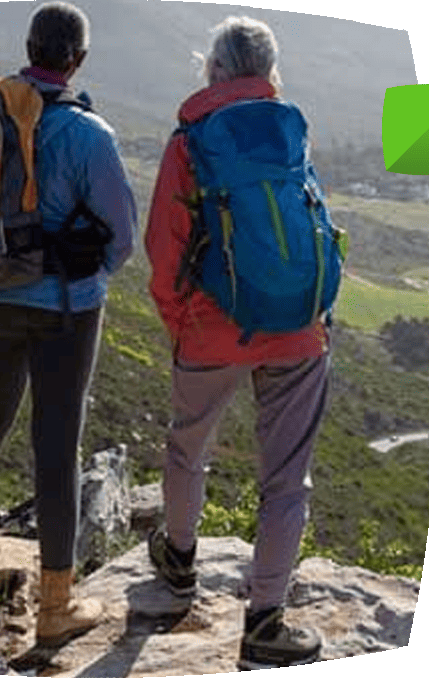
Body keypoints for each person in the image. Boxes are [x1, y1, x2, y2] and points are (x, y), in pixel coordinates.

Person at [0, 2, 137, 650]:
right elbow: (120, 238)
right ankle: (56, 606)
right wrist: (86, 272)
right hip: (64, 306)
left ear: (29, 47)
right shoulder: (89, 133)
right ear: (78, 60)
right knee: (57, 441)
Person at [144, 16, 330, 670]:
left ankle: (179, 565)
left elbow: (162, 253)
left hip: (210, 329)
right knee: (285, 481)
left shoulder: (189, 141)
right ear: (269, 71)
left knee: (187, 447)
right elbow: (311, 227)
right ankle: (264, 626)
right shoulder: (289, 131)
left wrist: (182, 324)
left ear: (213, 69)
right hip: (298, 331)